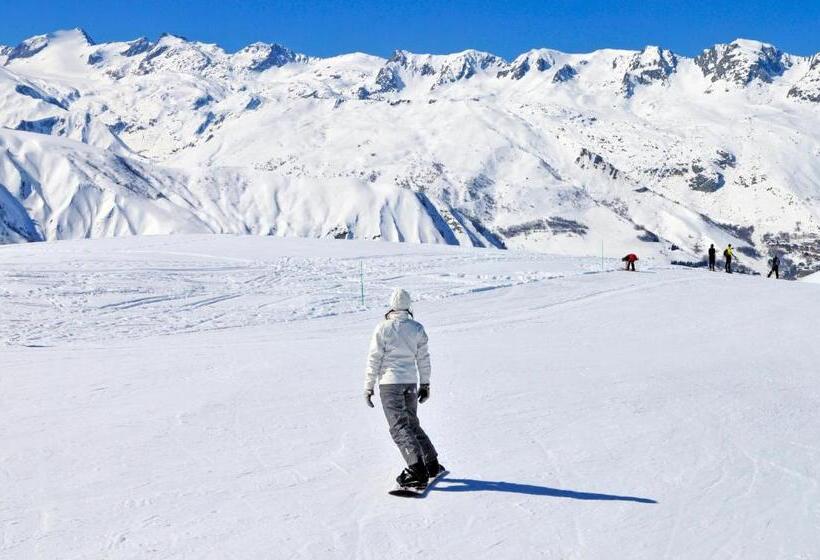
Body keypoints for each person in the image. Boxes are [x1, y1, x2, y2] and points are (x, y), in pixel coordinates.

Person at [364, 288, 444, 491]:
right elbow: (423, 359)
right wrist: (425, 384)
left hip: (390, 384)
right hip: (409, 382)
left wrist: (368, 386)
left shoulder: (383, 328)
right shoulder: (416, 328)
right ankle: (431, 463)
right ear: (408, 306)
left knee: (399, 427)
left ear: (391, 305)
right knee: (411, 423)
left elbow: (374, 359)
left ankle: (417, 470)